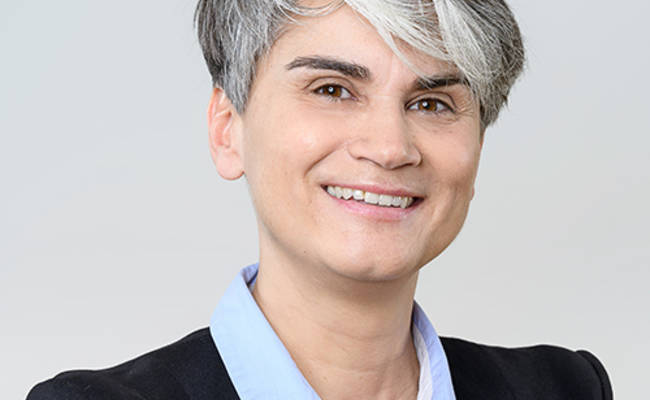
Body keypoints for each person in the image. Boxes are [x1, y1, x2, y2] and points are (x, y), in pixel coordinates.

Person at [27, 0, 613, 399]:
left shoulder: (565, 388)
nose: (390, 147)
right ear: (227, 129)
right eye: (332, 90)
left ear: (477, 146)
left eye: (432, 103)